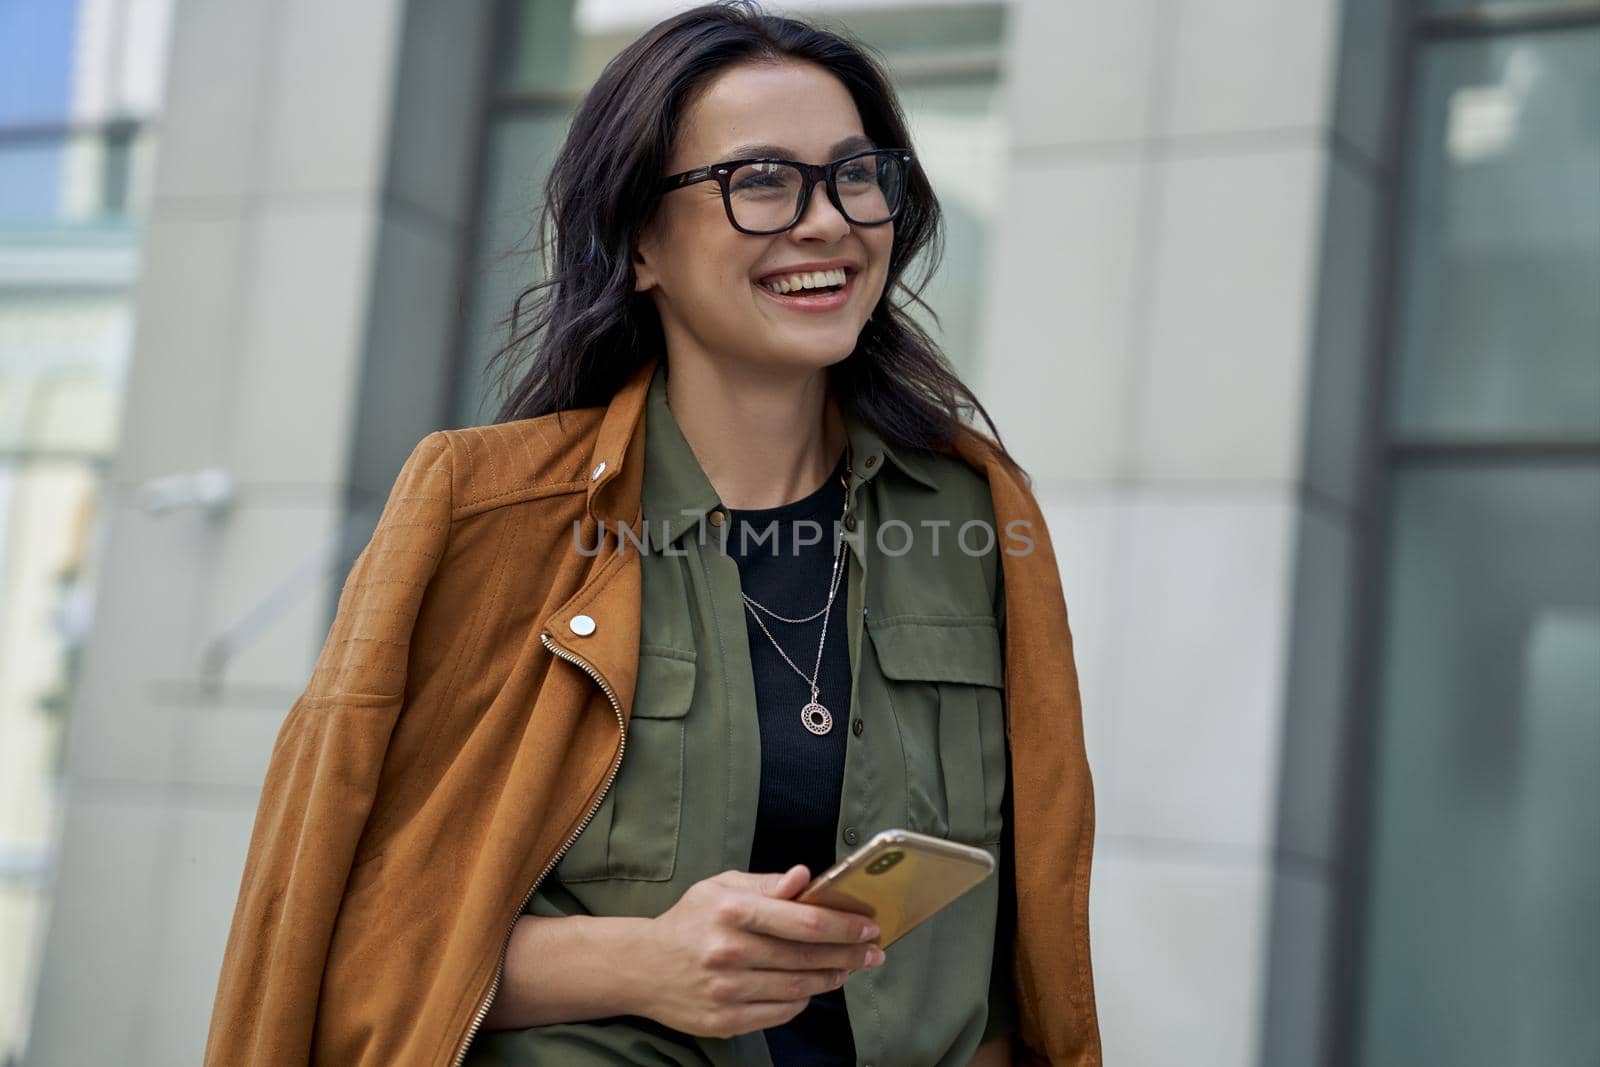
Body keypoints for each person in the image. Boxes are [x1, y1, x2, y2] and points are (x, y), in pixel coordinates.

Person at [202, 4, 1101, 1066]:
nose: (827, 222)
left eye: (857, 174)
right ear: (637, 242)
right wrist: (645, 960)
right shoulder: (482, 510)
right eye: (761, 182)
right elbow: (329, 937)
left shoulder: (974, 512)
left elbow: (1016, 961)